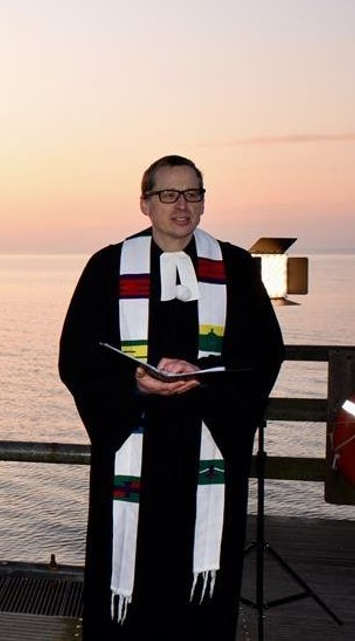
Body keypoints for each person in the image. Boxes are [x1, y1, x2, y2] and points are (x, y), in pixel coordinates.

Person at [58, 155, 284, 640]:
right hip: (135, 440)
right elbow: (77, 357)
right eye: (169, 195)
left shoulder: (237, 267)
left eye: (193, 194)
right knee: (132, 576)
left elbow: (264, 353)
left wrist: (205, 379)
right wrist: (132, 384)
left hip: (207, 441)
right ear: (145, 203)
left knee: (200, 588)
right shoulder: (108, 267)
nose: (182, 206)